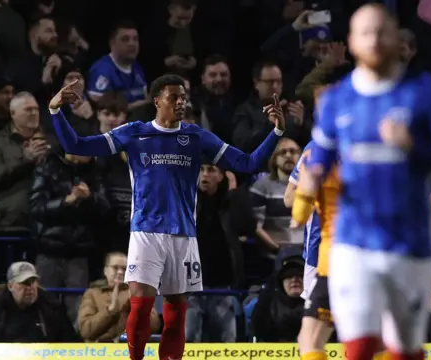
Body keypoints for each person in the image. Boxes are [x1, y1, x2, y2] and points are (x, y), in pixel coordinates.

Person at [48, 74, 285, 360]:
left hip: (183, 235)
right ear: (157, 101)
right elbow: (77, 146)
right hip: (146, 233)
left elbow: (248, 163)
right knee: (140, 308)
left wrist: (277, 133)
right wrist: (55, 110)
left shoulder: (197, 137)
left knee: (176, 315)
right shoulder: (134, 133)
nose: (181, 102)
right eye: (174, 97)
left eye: (184, 98)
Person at [291, 4, 431, 360]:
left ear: (398, 40)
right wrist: (306, 189)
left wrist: (413, 146)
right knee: (358, 344)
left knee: (403, 348)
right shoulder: (336, 101)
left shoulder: (423, 92)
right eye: (364, 32)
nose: (373, 40)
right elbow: (319, 160)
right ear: (352, 43)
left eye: (381, 31)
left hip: (409, 241)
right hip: (352, 243)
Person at [285, 140, 340, 360]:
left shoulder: (314, 152)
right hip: (371, 252)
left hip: (323, 257)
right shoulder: (382, 142)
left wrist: (307, 199)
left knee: (309, 339)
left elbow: (292, 202)